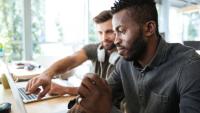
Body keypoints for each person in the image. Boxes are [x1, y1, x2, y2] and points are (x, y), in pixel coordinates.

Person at [72, 0, 200, 113]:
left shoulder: (189, 66)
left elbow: (104, 107)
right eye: (115, 32)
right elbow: (102, 96)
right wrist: (86, 101)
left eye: (121, 31)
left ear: (149, 28)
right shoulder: (124, 63)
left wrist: (108, 110)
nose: (116, 41)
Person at [25, 10, 119, 99]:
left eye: (109, 32)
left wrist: (65, 90)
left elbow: (103, 92)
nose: (104, 38)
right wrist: (46, 74)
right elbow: (72, 60)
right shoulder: (97, 49)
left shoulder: (125, 57)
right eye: (100, 33)